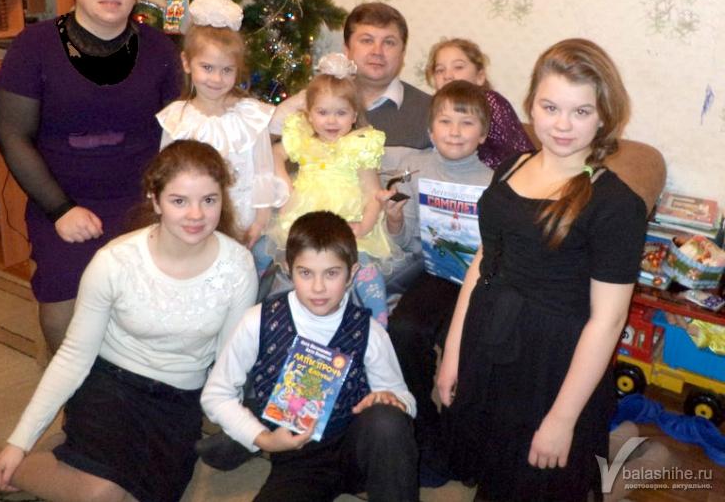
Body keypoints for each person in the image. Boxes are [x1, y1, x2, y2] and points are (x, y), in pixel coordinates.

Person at [0, 140, 258, 502]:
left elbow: (228, 362)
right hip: (111, 386)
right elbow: (73, 355)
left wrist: (243, 427)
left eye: (209, 200)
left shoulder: (238, 266)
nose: (196, 214)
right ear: (155, 200)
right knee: (103, 493)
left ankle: (65, 456)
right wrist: (18, 443)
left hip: (177, 402)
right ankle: (1, 467)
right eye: (179, 201)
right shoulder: (114, 261)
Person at [436, 39, 648, 500]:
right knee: (492, 472)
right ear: (531, 104)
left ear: (604, 115)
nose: (562, 125)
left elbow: (608, 320)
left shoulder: (616, 205)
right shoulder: (511, 167)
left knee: (536, 483)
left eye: (581, 111)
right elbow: (483, 262)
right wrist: (454, 353)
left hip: (552, 365)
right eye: (550, 107)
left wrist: (562, 418)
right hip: (489, 340)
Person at [0, 0, 182, 354]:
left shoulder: (159, 49)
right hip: (62, 200)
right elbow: (12, 134)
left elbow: (178, 135)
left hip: (142, 201)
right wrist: (61, 210)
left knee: (151, 299)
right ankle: (70, 381)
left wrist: (166, 202)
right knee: (63, 298)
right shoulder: (33, 47)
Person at [201, 211, 418, 502]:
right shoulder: (259, 321)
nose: (318, 287)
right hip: (297, 456)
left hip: (357, 449)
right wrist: (264, 439)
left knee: (387, 421)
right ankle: (237, 445)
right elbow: (216, 395)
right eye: (306, 273)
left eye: (331, 273)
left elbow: (405, 399)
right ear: (288, 269)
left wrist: (392, 400)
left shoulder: (369, 330)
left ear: (351, 273)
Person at [378, 80, 493, 484]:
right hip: (434, 273)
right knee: (405, 329)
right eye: (445, 121)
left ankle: (465, 445)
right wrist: (395, 220)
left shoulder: (495, 182)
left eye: (467, 123)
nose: (455, 131)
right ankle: (425, 431)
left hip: (480, 285)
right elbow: (406, 241)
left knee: (474, 346)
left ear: (483, 133)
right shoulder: (414, 170)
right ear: (430, 129)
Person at [270, 53, 401, 326]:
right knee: (269, 257)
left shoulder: (358, 146)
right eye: (322, 112)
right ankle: (273, 325)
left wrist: (364, 227)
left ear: (354, 115)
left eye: (341, 113)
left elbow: (374, 194)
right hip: (303, 221)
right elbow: (274, 154)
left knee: (367, 275)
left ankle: (378, 329)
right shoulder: (303, 140)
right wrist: (285, 185)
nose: (331, 121)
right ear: (309, 114)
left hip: (348, 228)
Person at [156, 0, 287, 248]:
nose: (216, 79)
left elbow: (263, 172)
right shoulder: (177, 119)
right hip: (192, 227)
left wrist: (260, 222)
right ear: (186, 63)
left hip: (245, 228)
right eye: (207, 68)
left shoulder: (251, 116)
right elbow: (165, 178)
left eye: (227, 70)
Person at [271, 2, 431, 170]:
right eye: (367, 40)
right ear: (346, 49)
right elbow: (261, 150)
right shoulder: (309, 103)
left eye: (389, 42)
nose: (377, 51)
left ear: (403, 53)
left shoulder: (431, 113)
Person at [424, 37, 533, 168]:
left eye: (458, 67)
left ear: (480, 77)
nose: (447, 75)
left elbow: (521, 155)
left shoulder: (491, 103)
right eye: (440, 70)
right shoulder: (435, 107)